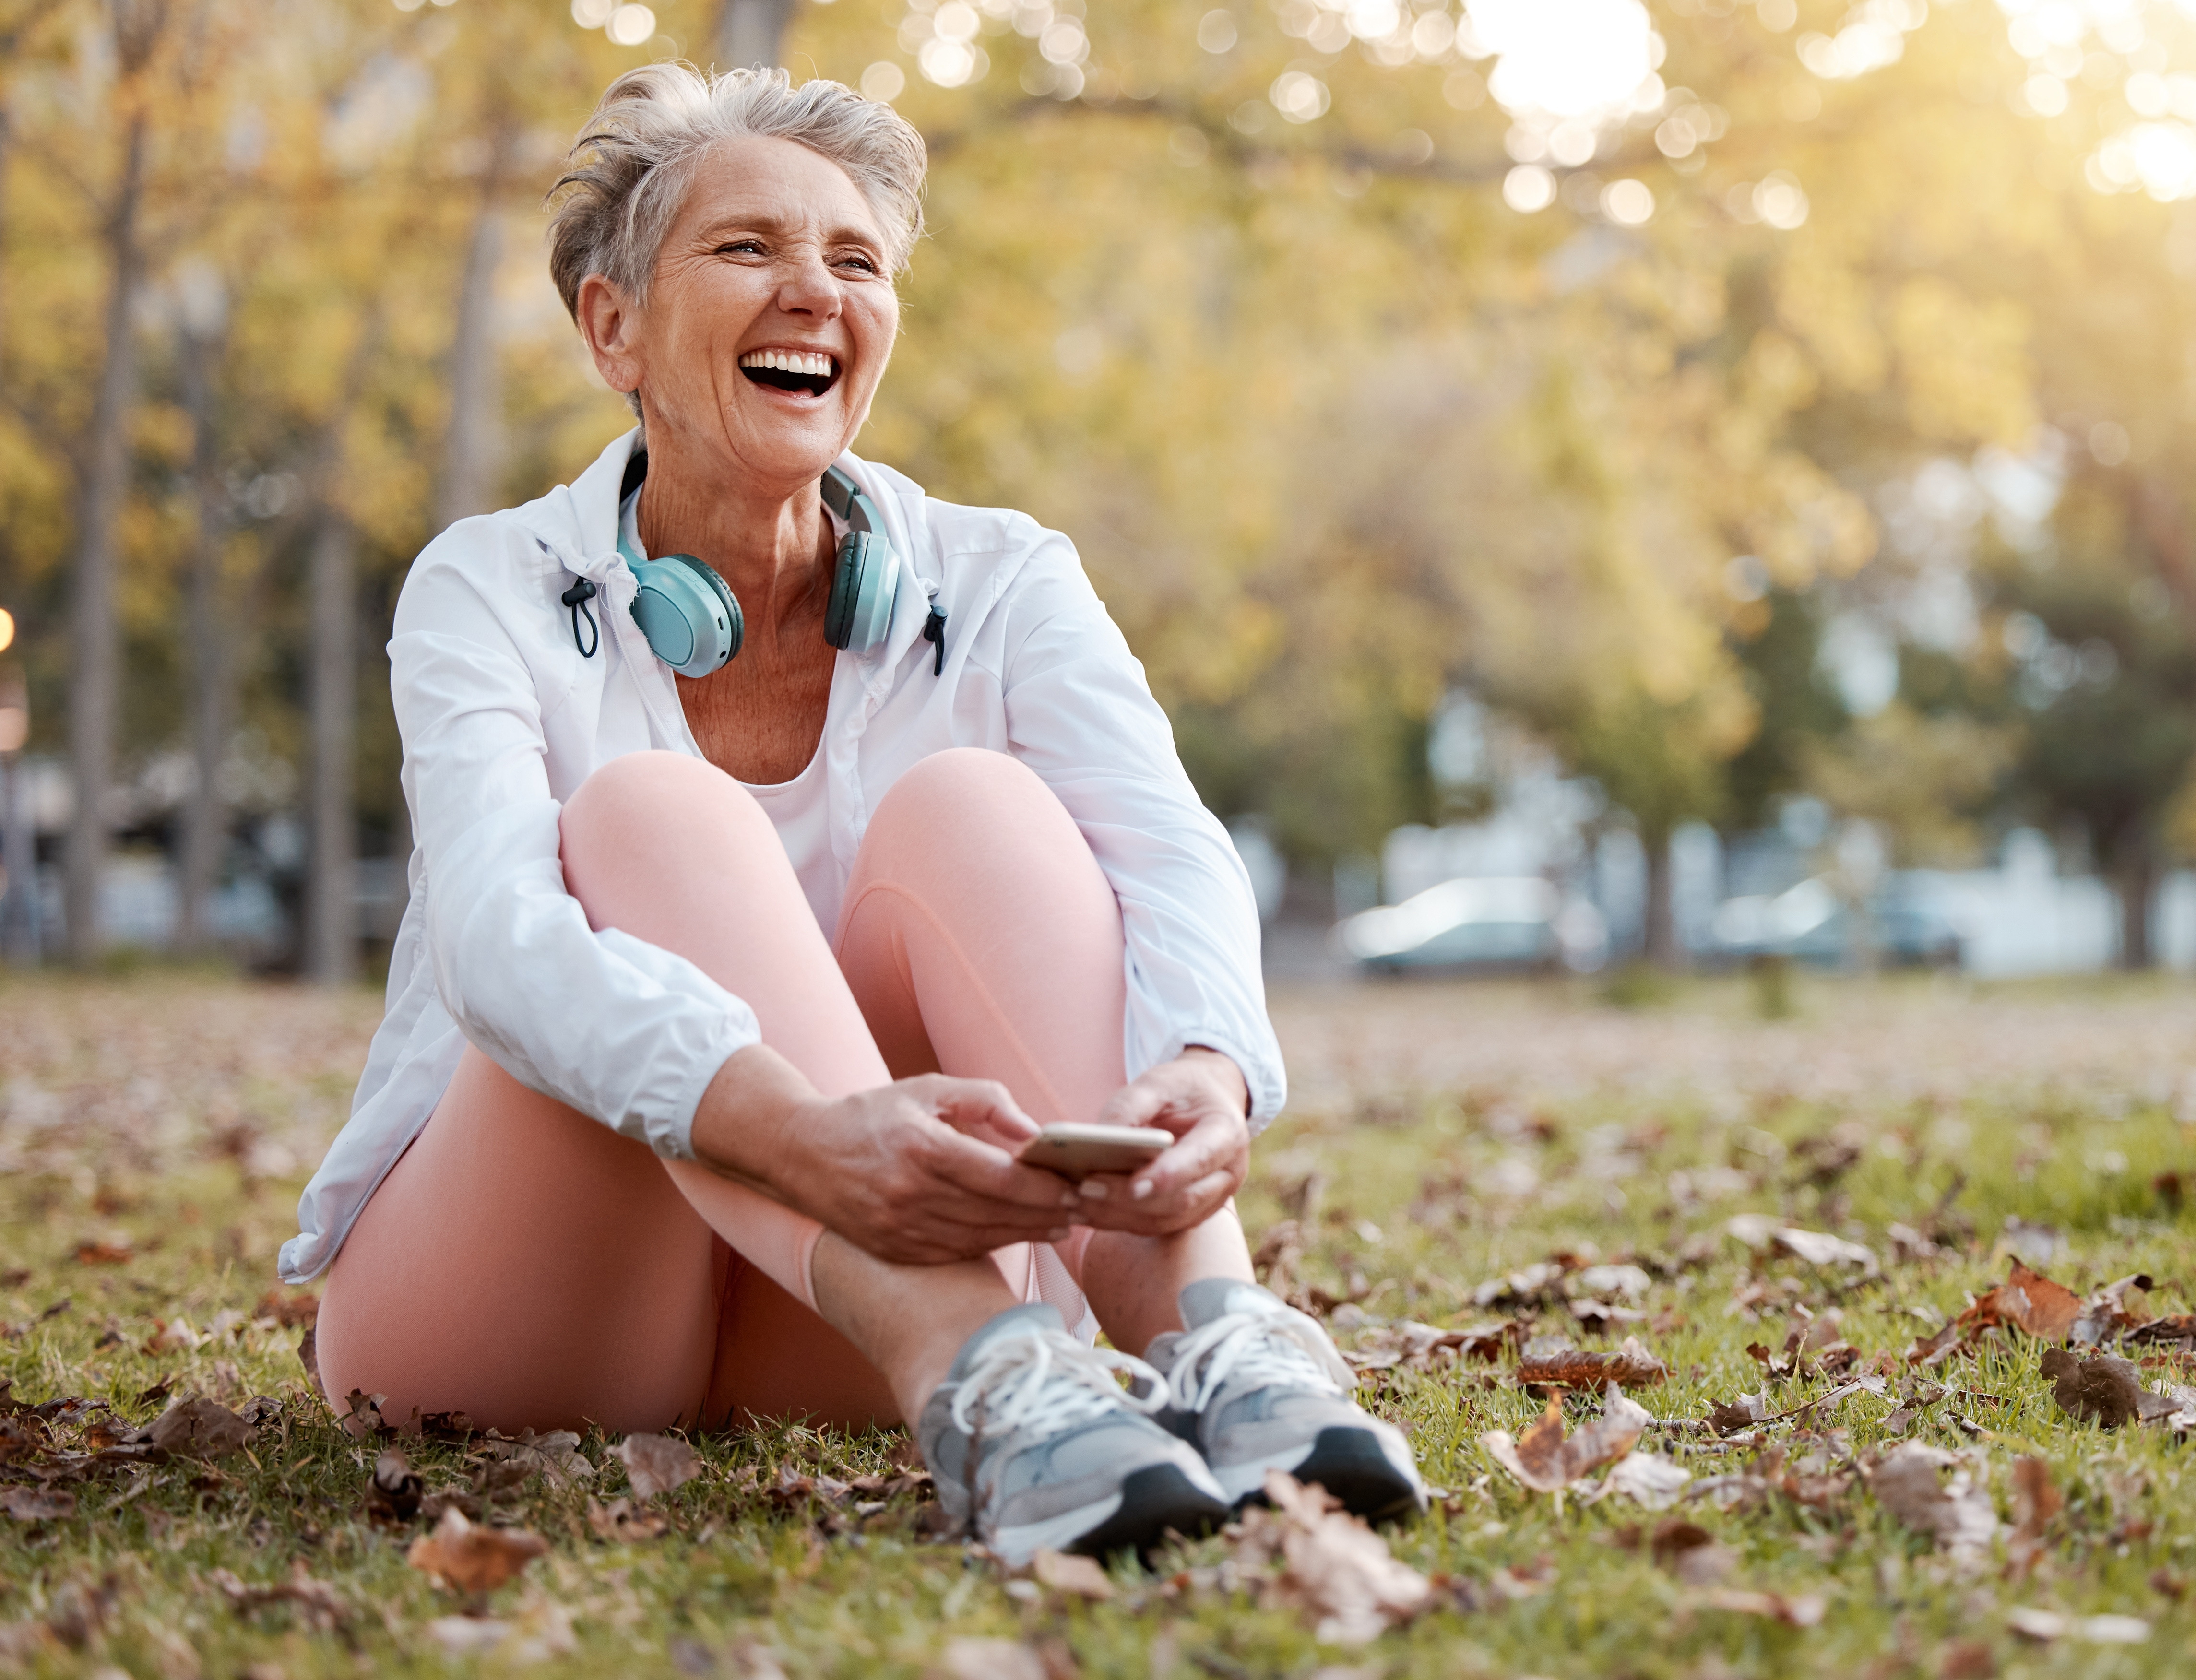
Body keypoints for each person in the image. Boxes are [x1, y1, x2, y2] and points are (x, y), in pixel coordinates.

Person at [279, 63, 1420, 1564]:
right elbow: (497, 947)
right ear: (614, 328)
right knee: (652, 818)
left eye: (856, 260)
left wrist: (1208, 1068)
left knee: (978, 808)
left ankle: (1210, 1337)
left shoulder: (1001, 576)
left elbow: (1168, 851)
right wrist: (799, 1133)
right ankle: (979, 1368)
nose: (814, 289)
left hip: (834, 1331)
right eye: (746, 246)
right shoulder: (488, 584)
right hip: (528, 1322)